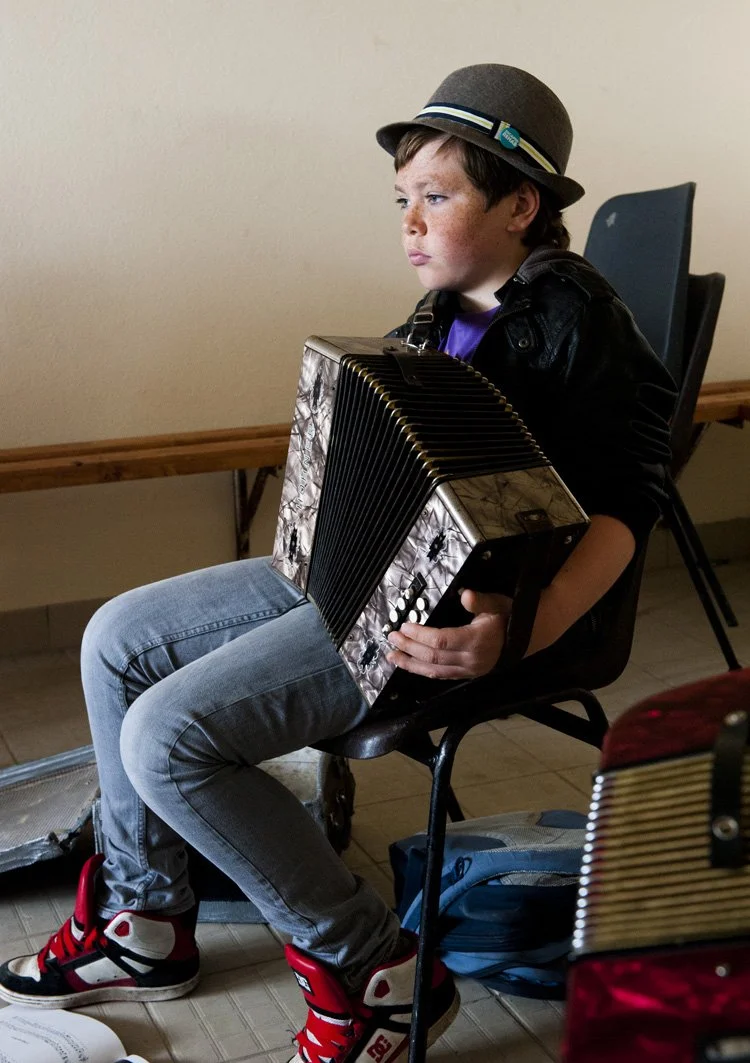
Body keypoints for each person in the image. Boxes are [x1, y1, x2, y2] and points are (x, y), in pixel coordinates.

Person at [0, 64, 675, 1063]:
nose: (408, 222)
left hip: (452, 614)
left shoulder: (578, 320)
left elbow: (628, 500)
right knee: (114, 640)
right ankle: (143, 923)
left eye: (436, 197)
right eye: (401, 200)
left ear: (522, 204)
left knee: (168, 737)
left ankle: (375, 969)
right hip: (349, 570)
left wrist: (526, 627)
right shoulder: (441, 310)